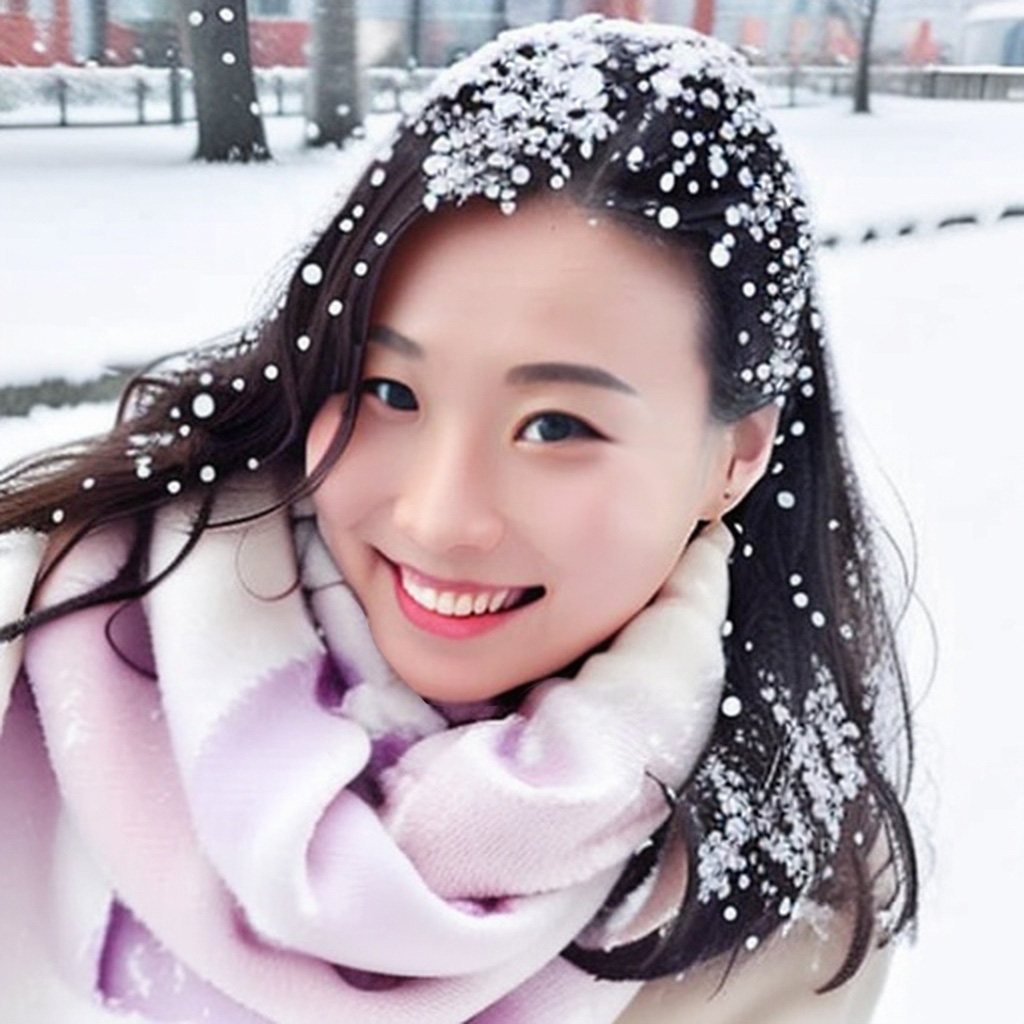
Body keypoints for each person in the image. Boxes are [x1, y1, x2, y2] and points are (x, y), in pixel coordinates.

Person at [0, 15, 916, 1022]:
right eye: (389, 391)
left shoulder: (775, 917)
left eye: (557, 426)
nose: (440, 518)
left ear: (735, 457)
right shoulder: (43, 636)